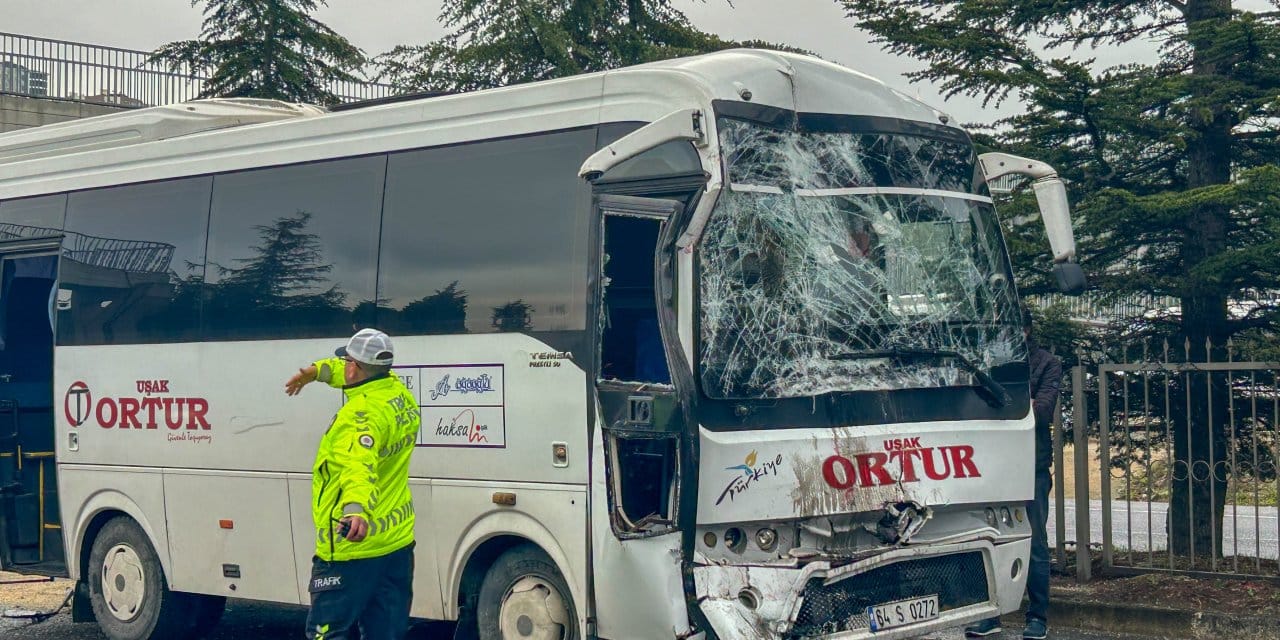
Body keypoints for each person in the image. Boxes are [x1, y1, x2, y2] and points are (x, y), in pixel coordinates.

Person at [285, 328, 422, 640]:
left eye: (345, 360)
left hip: (351, 551)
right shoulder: (397, 394)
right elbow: (346, 372)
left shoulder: (358, 415)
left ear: (353, 367)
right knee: (386, 633)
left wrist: (355, 510)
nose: (342, 366)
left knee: (327, 633)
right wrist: (314, 372)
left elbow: (358, 465)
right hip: (395, 545)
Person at [966, 308, 1061, 640]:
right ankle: (990, 614)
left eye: (1012, 329)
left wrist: (1007, 402)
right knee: (988, 537)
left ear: (1026, 330)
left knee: (1034, 539)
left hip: (1031, 464)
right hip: (993, 462)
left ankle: (1037, 616)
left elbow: (1043, 409)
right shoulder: (992, 363)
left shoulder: (1047, 363)